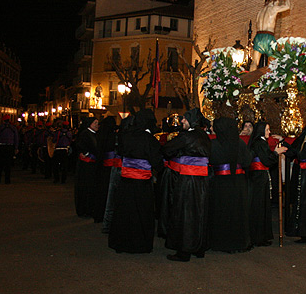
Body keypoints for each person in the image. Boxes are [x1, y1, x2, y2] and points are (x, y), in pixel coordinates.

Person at [108, 110, 163, 254]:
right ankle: (140, 245)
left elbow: (120, 152)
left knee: (124, 212)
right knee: (141, 213)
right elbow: (157, 163)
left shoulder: (126, 136)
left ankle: (120, 243)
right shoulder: (149, 139)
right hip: (142, 183)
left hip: (125, 181)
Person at [161, 108, 212, 262]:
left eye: (185, 119)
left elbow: (167, 149)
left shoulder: (186, 136)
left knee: (185, 214)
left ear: (191, 120)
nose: (182, 121)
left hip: (188, 180)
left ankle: (184, 250)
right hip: (203, 180)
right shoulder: (204, 136)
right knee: (200, 213)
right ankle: (199, 247)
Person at [208, 117, 253, 253]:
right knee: (238, 212)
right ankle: (240, 242)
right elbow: (247, 162)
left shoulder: (214, 144)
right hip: (238, 182)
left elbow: (209, 161)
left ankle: (222, 243)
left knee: (222, 212)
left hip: (220, 183)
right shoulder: (239, 143)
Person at [248, 121, 286, 247]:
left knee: (263, 205)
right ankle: (258, 237)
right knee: (259, 206)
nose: (269, 132)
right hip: (258, 177)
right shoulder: (259, 142)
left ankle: (262, 236)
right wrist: (276, 153)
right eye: (267, 129)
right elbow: (266, 160)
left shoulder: (260, 142)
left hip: (260, 177)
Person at [251, 0, 291, 70]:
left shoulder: (260, 11)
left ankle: (249, 81)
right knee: (273, 61)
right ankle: (271, 80)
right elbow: (287, 6)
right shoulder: (273, 8)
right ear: (273, 2)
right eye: (277, 3)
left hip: (258, 37)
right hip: (268, 37)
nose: (277, 5)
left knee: (254, 62)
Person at [95, 116, 119, 225]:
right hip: (111, 167)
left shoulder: (100, 135)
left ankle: (99, 214)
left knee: (101, 191)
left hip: (102, 166)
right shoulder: (112, 136)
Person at [75, 117, 99, 218]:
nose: (97, 125)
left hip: (91, 165)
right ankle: (84, 209)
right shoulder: (85, 134)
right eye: (95, 123)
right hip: (86, 166)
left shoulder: (94, 134)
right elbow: (81, 147)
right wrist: (86, 153)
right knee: (85, 187)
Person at [0, 115, 19, 184]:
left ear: (3, 120)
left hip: (1, 146)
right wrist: (16, 148)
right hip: (10, 147)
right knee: (8, 165)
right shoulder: (13, 128)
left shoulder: (0, 128)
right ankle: (7, 180)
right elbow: (16, 139)